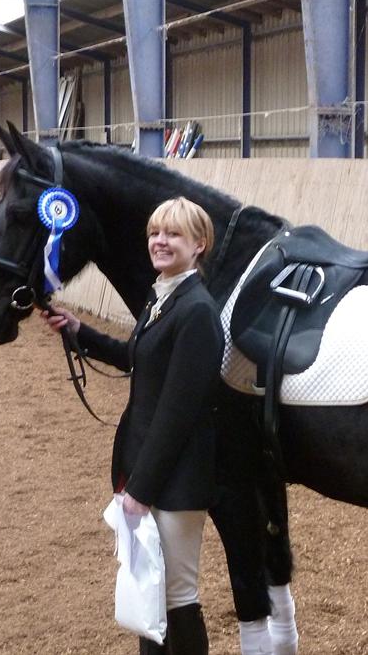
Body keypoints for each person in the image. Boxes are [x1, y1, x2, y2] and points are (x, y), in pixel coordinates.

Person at [43, 197, 222, 655]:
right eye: (155, 233)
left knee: (177, 598)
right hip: (146, 469)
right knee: (148, 594)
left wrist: (140, 489)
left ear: (199, 244)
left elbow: (177, 414)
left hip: (174, 481)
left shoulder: (197, 311)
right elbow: (136, 357)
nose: (160, 242)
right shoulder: (162, 294)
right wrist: (79, 330)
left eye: (173, 234)